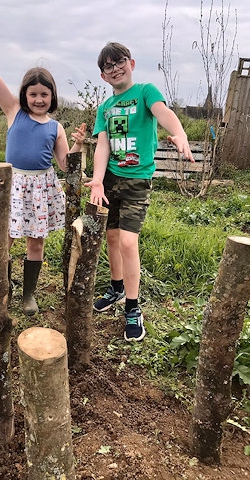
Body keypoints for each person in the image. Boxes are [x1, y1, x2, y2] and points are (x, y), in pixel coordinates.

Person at [0, 5, 86, 315]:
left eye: (45, 94)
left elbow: (67, 166)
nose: (39, 99)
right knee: (4, 240)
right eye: (33, 94)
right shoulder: (13, 112)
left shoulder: (56, 128)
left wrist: (79, 147)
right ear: (24, 95)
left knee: (35, 243)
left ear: (52, 96)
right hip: (10, 186)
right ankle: (0, 285)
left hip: (40, 188)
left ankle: (28, 294)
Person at [86, 42, 194, 342]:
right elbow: (104, 145)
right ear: (103, 76)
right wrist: (97, 180)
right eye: (108, 66)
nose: (115, 68)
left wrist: (180, 132)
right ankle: (116, 288)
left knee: (128, 242)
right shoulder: (105, 108)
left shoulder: (146, 91)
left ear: (131, 64)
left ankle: (132, 308)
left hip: (137, 182)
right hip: (110, 180)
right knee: (110, 236)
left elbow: (164, 113)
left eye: (119, 61)